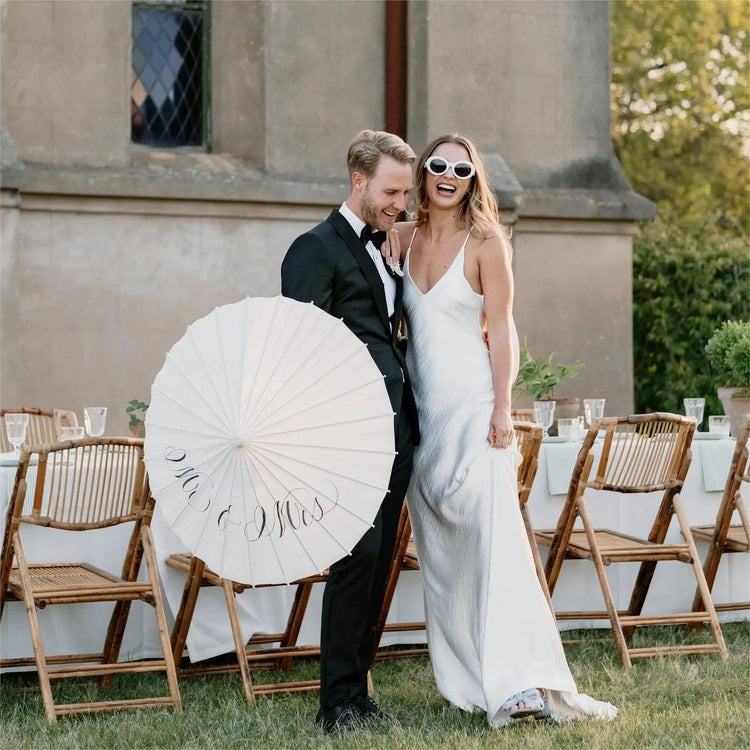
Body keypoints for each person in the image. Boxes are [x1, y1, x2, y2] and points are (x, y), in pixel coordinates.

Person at [380, 134, 617, 727]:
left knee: (499, 548)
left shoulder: (487, 242)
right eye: (438, 166)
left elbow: (504, 329)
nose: (448, 176)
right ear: (424, 175)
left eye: (461, 169)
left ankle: (521, 685)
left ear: (472, 178)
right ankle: (468, 678)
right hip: (426, 423)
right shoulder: (401, 239)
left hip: (478, 413)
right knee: (444, 559)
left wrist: (502, 408)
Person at [281, 129, 420, 733]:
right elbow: (305, 351)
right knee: (354, 560)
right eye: (391, 191)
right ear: (358, 182)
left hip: (397, 432)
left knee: (381, 559)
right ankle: (334, 703)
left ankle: (359, 692)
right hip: (347, 438)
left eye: (406, 192)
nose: (401, 203)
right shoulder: (312, 249)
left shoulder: (386, 248)